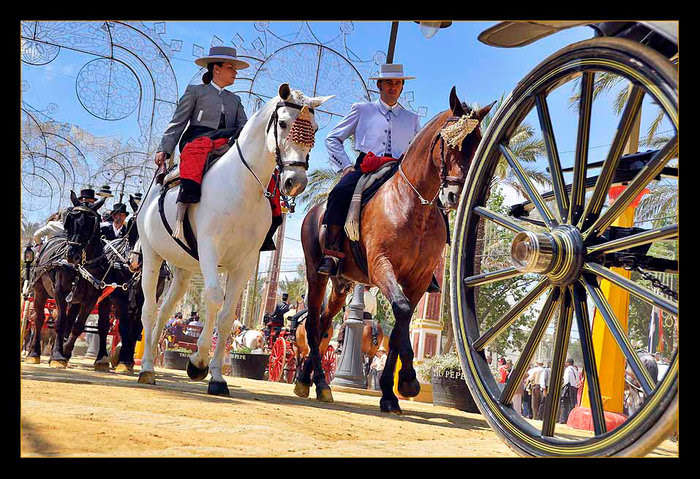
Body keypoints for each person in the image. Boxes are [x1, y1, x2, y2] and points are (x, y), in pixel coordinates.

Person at [153, 46, 283, 251]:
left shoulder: (235, 100)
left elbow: (245, 128)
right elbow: (178, 121)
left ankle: (267, 225)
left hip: (228, 141)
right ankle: (184, 207)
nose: (235, 72)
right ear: (216, 69)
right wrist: (165, 148)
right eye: (231, 67)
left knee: (266, 172)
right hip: (197, 139)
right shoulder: (195, 91)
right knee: (197, 150)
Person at [319, 64, 420, 274]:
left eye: (398, 83)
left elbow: (417, 150)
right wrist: (345, 166)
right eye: (389, 83)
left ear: (402, 88)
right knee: (338, 193)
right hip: (367, 166)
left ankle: (424, 261)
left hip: (399, 169)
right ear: (379, 85)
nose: (394, 87)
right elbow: (333, 138)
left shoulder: (412, 118)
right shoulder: (362, 109)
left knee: (428, 200)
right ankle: (332, 252)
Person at [560, 358, 580, 424]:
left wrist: (563, 386)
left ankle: (563, 419)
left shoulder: (568, 369)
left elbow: (566, 379)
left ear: (568, 363)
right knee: (572, 404)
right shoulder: (575, 370)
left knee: (564, 404)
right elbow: (577, 381)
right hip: (573, 388)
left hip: (567, 388)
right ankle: (570, 420)